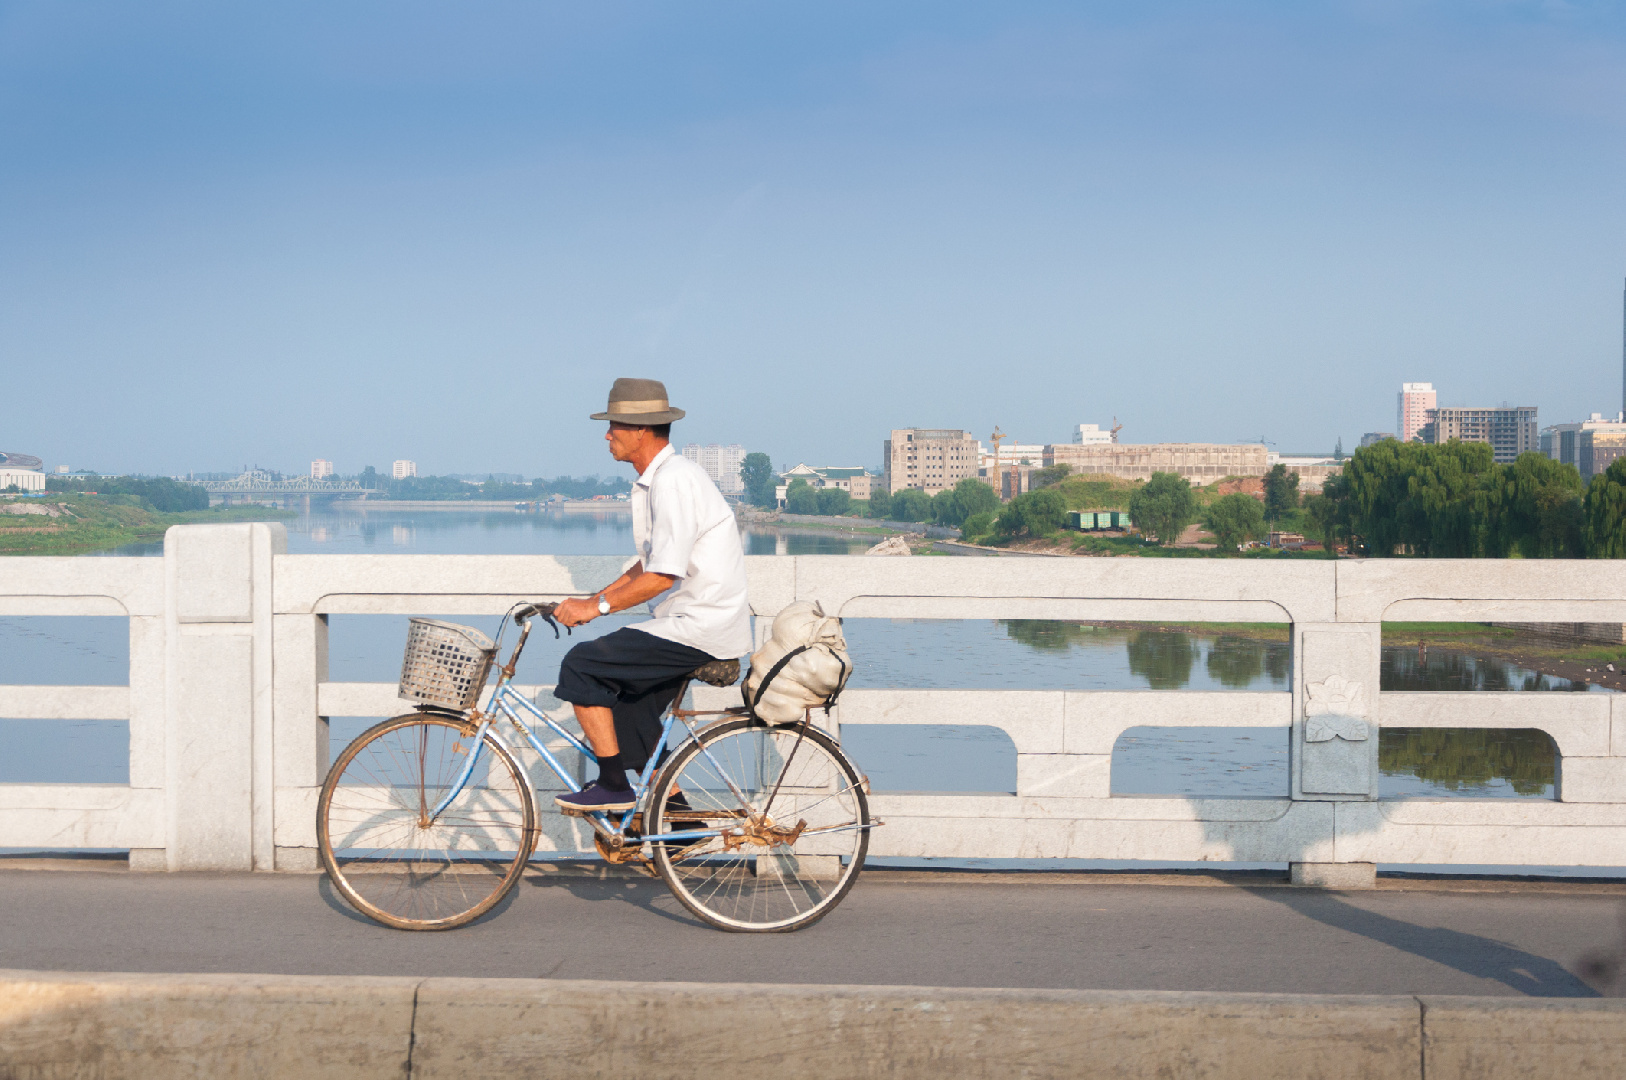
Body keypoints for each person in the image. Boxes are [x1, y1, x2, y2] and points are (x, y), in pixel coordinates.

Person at [550, 377, 752, 812]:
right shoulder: (658, 479)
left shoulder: (674, 480)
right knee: (630, 712)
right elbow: (647, 565)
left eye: (614, 426)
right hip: (688, 622)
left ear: (640, 430)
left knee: (582, 666)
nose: (607, 435)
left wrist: (597, 606)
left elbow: (662, 576)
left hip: (700, 626)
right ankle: (676, 824)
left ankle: (612, 786)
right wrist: (593, 602)